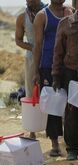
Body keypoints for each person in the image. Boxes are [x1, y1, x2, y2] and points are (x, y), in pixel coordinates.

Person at [52, 0, 78, 160]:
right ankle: (72, 148)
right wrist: (55, 75)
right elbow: (58, 51)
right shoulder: (66, 23)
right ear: (76, 2)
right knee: (71, 112)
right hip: (71, 72)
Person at [32, 0, 72, 157]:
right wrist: (36, 71)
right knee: (53, 106)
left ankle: (71, 141)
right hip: (48, 65)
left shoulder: (70, 12)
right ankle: (55, 143)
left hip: (68, 64)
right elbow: (38, 44)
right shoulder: (42, 16)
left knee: (70, 104)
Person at [15, 0, 46, 139]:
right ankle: (32, 129)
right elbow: (18, 40)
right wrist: (33, 48)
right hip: (31, 59)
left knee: (49, 92)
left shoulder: (48, 11)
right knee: (30, 92)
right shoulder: (22, 17)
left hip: (49, 57)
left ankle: (52, 129)